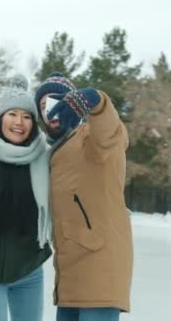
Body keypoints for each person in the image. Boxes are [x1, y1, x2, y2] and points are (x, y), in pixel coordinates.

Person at [34, 72, 133, 321]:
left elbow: (111, 133)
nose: (50, 112)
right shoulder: (54, 151)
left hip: (99, 267)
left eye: (58, 102)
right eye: (43, 106)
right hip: (69, 274)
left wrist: (97, 101)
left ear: (74, 104)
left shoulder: (91, 138)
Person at [0, 75, 52, 321]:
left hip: (29, 269)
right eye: (12, 114)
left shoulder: (47, 158)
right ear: (0, 118)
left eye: (27, 116)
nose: (19, 122)